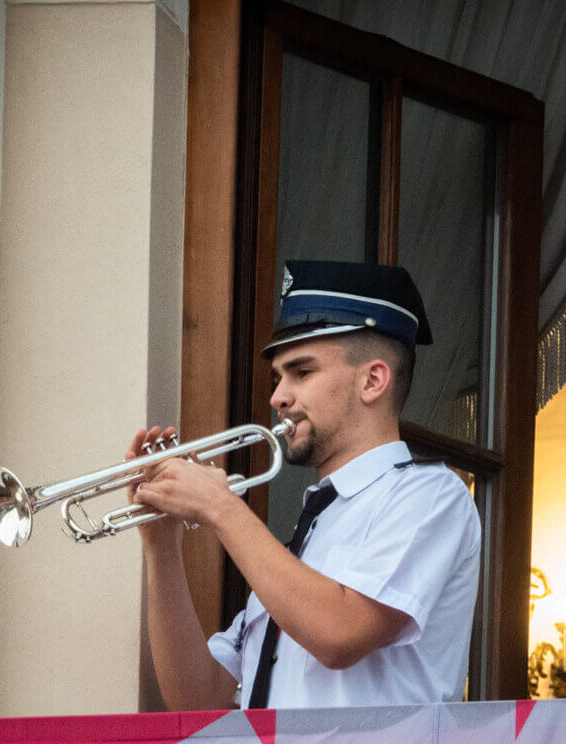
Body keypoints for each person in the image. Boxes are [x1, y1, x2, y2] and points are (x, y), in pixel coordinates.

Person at [130, 261, 481, 710]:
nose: (278, 396)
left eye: (302, 372)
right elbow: (196, 702)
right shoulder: (305, 539)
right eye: (279, 377)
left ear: (372, 380)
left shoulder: (430, 497)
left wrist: (221, 508)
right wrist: (162, 546)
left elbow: (339, 634)